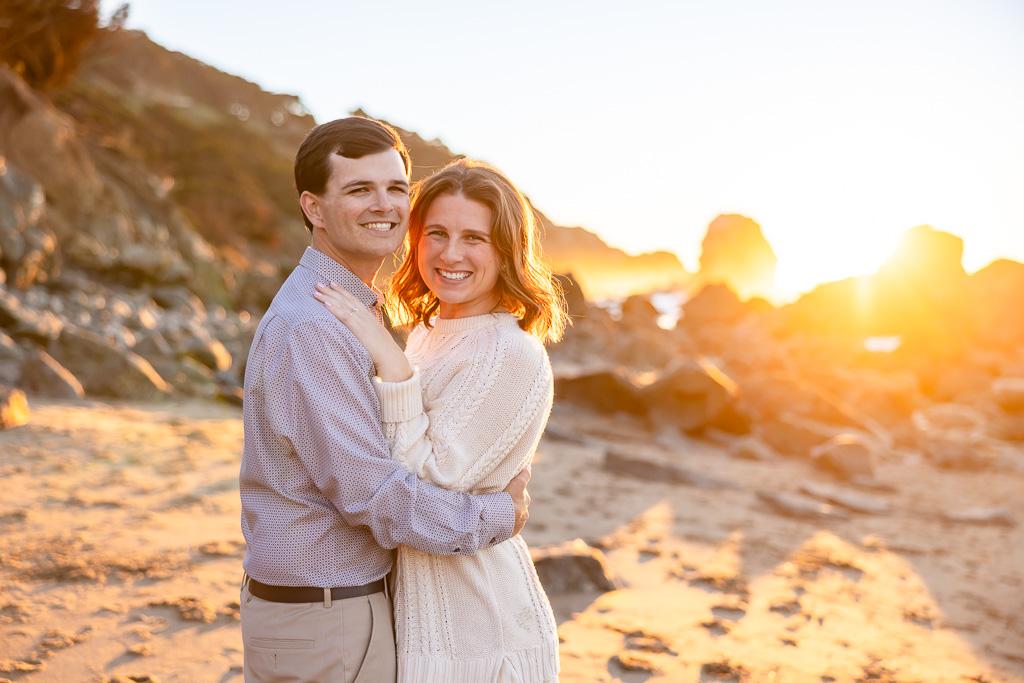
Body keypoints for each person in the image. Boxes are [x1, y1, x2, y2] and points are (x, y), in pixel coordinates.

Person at [239, 117, 533, 683]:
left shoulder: (344, 308)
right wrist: (499, 514)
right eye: (358, 190)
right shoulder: (314, 326)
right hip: (327, 617)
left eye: (396, 188)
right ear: (314, 208)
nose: (386, 205)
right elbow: (374, 496)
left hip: (324, 612)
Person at [313, 158, 569, 682]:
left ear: (506, 249)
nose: (451, 254)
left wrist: (391, 362)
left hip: (481, 632)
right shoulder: (431, 334)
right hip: (426, 623)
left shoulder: (510, 353)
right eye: (436, 233)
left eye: (474, 237)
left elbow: (427, 483)